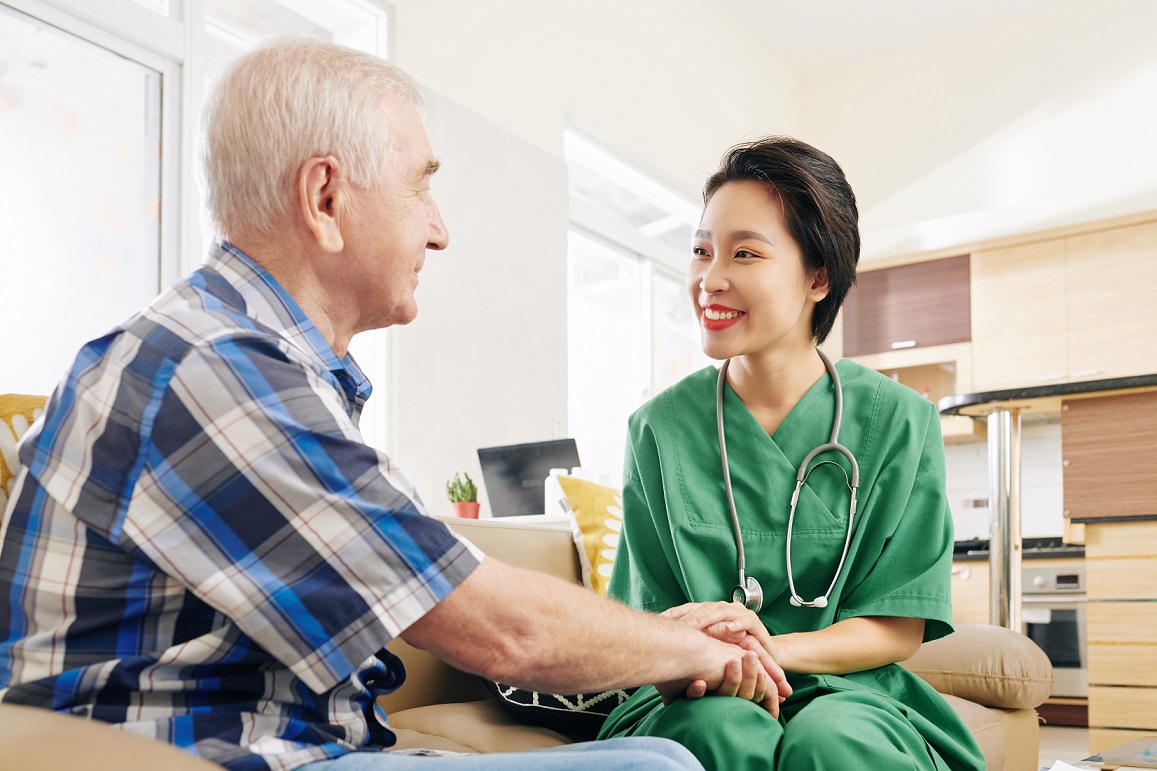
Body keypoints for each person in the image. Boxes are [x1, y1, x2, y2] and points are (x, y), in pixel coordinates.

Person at [0, 38, 791, 771]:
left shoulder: (265, 367)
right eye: (421, 186)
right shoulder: (208, 366)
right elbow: (497, 625)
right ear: (325, 197)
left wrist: (668, 638)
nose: (439, 230)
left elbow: (442, 581)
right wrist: (687, 646)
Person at [595, 136, 987, 771]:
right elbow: (646, 623)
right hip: (697, 689)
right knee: (718, 732)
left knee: (835, 742)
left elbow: (897, 626)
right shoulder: (658, 430)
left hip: (849, 689)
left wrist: (766, 648)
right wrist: (705, 656)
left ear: (818, 276)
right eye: (702, 251)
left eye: (745, 253)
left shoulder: (900, 422)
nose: (709, 278)